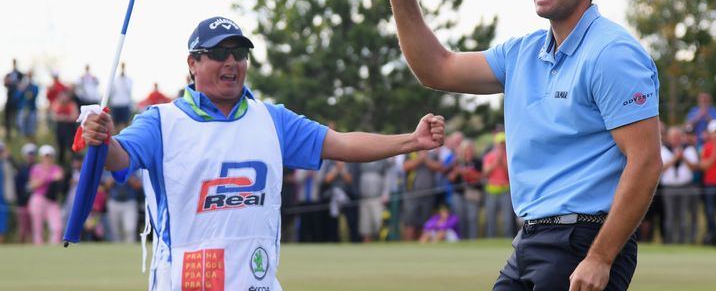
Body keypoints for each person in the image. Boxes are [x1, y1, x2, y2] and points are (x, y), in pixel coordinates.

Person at [380, 0, 662, 290]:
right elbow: (438, 69)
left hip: (586, 242)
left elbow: (645, 161)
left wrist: (599, 257)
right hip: (531, 240)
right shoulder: (522, 52)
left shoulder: (612, 54)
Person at [79, 15, 445, 290]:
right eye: (219, 53)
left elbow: (343, 143)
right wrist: (103, 138)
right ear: (192, 64)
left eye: (239, 53)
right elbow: (119, 158)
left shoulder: (272, 119)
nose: (231, 62)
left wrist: (411, 141)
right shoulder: (162, 120)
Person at [659, 126, 699, 244]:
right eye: (673, 137)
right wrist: (675, 158)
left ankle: (683, 241)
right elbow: (661, 168)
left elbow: (694, 167)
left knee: (683, 215)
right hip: (669, 187)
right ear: (668, 138)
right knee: (670, 215)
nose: (675, 139)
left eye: (678, 137)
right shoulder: (663, 150)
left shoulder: (688, 149)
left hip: (685, 186)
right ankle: (669, 240)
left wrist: (683, 157)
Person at [27, 144, 64, 245]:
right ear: (41, 157)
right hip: (38, 199)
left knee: (57, 227)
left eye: (49, 156)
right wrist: (48, 178)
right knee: (38, 228)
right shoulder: (36, 168)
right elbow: (33, 184)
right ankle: (39, 250)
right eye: (45, 156)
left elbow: (60, 177)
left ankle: (53, 248)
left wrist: (43, 179)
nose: (47, 158)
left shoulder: (56, 168)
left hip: (51, 200)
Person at [448, 138, 483, 240]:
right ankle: (462, 239)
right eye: (467, 149)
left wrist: (469, 173)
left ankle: (473, 239)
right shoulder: (458, 161)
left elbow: (481, 176)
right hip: (459, 193)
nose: (469, 151)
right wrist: (457, 172)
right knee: (460, 217)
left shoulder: (477, 161)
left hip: (473, 192)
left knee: (472, 217)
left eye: (471, 149)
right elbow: (451, 178)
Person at [482, 131, 515, 238]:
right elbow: (486, 173)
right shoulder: (489, 156)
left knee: (507, 218)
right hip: (491, 191)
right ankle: (491, 238)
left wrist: (502, 162)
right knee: (490, 218)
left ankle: (508, 239)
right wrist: (496, 161)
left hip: (505, 190)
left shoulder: (509, 156)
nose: (501, 145)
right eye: (500, 143)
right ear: (495, 144)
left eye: (503, 143)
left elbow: (509, 174)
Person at [358, 158, 393, 242]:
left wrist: (385, 194)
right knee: (365, 228)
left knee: (379, 226)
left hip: (378, 198)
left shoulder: (383, 161)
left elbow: (387, 178)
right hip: (364, 198)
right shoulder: (361, 159)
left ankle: (380, 248)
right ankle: (366, 250)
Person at [104, 169, 143, 243]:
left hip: (129, 202)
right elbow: (106, 185)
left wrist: (127, 175)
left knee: (130, 229)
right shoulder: (110, 167)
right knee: (115, 231)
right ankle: (117, 252)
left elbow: (138, 185)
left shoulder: (134, 168)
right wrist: (116, 175)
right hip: (114, 202)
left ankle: (130, 251)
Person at [13, 142, 37, 243]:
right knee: (22, 229)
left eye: (32, 154)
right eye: (28, 154)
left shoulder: (37, 168)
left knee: (33, 229)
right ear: (25, 155)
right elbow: (17, 186)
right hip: (22, 202)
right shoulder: (20, 169)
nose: (30, 156)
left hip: (35, 202)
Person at [14, 70, 39, 143]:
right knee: (22, 129)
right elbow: (15, 98)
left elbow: (33, 96)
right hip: (21, 111)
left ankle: (32, 144)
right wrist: (21, 89)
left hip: (31, 111)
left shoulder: (34, 87)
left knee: (31, 130)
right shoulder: (21, 87)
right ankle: (24, 144)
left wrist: (28, 88)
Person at [110, 62, 134, 132]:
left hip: (125, 103)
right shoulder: (115, 79)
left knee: (125, 123)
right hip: (116, 104)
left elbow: (129, 91)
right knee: (115, 123)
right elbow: (112, 91)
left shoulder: (129, 79)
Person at [3, 59, 23, 141]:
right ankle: (8, 135)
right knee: (7, 118)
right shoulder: (9, 74)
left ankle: (19, 135)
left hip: (18, 100)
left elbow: (22, 85)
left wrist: (13, 83)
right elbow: (5, 83)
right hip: (9, 99)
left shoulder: (20, 74)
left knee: (17, 118)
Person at [0, 141, 16, 243]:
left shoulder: (6, 164)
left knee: (2, 223)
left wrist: (9, 157)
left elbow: (17, 169)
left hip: (3, 197)